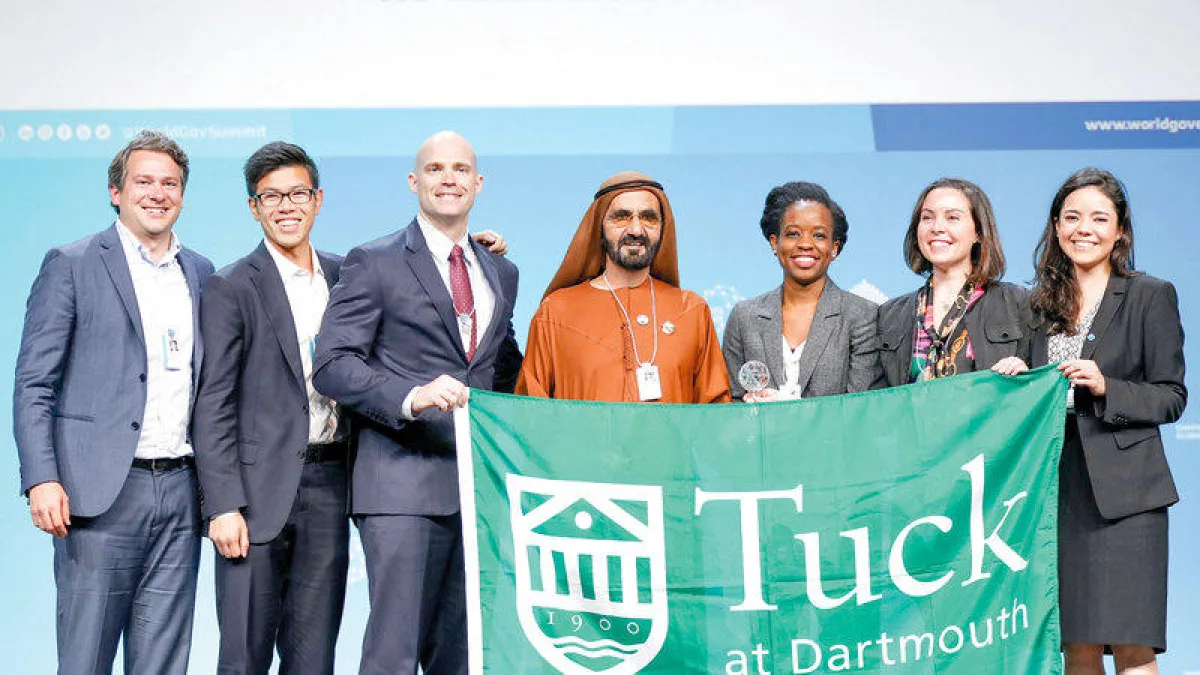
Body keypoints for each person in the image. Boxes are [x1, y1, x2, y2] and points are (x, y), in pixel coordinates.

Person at [312, 131, 522, 675]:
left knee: (462, 657)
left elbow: (501, 368)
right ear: (414, 181)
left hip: (477, 493)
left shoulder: (500, 270)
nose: (448, 178)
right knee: (394, 655)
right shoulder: (374, 260)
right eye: (434, 169)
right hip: (400, 486)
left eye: (460, 169)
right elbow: (332, 364)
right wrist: (411, 397)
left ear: (478, 183)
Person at [14, 130, 214, 674]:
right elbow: (34, 383)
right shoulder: (72, 263)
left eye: (169, 183)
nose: (157, 193)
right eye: (143, 181)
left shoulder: (200, 272)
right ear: (115, 192)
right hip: (98, 494)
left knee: (164, 662)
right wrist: (42, 478)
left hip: (181, 490)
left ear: (182, 195)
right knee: (86, 659)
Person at [1019, 168, 1185, 674]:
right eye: (1071, 218)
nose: (1083, 229)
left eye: (1098, 218)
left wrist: (1107, 386)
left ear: (1120, 230)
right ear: (1055, 227)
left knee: (1132, 645)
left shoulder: (1149, 294)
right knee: (1078, 646)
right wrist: (1014, 376)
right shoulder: (1036, 306)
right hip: (1058, 492)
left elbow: (1171, 396)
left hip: (1128, 499)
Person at [192, 142, 350, 674]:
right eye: (271, 196)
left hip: (330, 484)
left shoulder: (347, 276)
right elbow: (213, 401)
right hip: (253, 498)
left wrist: (476, 251)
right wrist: (222, 505)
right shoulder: (231, 286)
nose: (287, 207)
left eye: (297, 194)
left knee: (314, 658)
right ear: (254, 207)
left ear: (317, 200)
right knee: (244, 656)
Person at [515, 171, 731, 403]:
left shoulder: (691, 310)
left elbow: (715, 412)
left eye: (648, 218)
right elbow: (530, 410)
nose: (636, 230)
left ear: (663, 229)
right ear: (599, 228)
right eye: (621, 217)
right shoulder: (556, 312)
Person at [723, 181, 883, 400]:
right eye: (793, 234)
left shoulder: (863, 316)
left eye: (818, 235)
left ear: (834, 247)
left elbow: (860, 407)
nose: (805, 244)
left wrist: (793, 408)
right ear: (774, 242)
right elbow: (731, 404)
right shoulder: (744, 317)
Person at [876, 177, 1030, 386]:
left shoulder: (1017, 303)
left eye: (952, 218)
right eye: (927, 218)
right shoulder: (889, 314)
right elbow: (874, 397)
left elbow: (1043, 379)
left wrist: (1026, 375)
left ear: (978, 232)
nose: (937, 227)